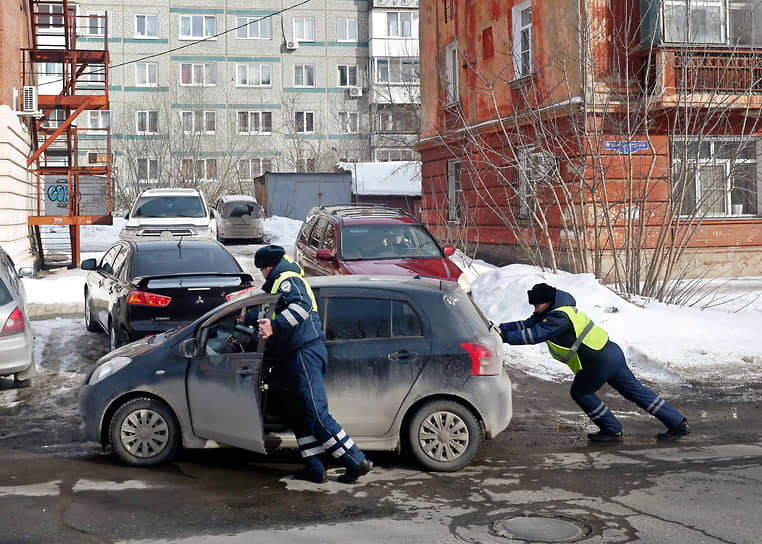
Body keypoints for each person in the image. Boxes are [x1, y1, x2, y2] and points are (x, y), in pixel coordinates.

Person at [499, 282, 691, 442]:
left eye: (537, 305)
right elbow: (528, 323)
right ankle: (677, 423)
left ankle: (611, 429)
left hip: (598, 361)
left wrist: (505, 338)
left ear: (548, 302)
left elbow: (535, 334)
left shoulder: (560, 317)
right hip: (611, 353)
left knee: (581, 392)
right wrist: (501, 328)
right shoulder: (557, 311)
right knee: (635, 391)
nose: (535, 309)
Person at [252, 245, 373, 483]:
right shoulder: (280, 281)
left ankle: (356, 461)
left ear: (267, 267)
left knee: (317, 415)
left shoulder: (287, 279)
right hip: (295, 355)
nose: (262, 275)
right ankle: (315, 467)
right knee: (300, 415)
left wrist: (274, 327)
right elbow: (276, 314)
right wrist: (246, 317)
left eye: (261, 270)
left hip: (304, 353)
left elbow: (302, 306)